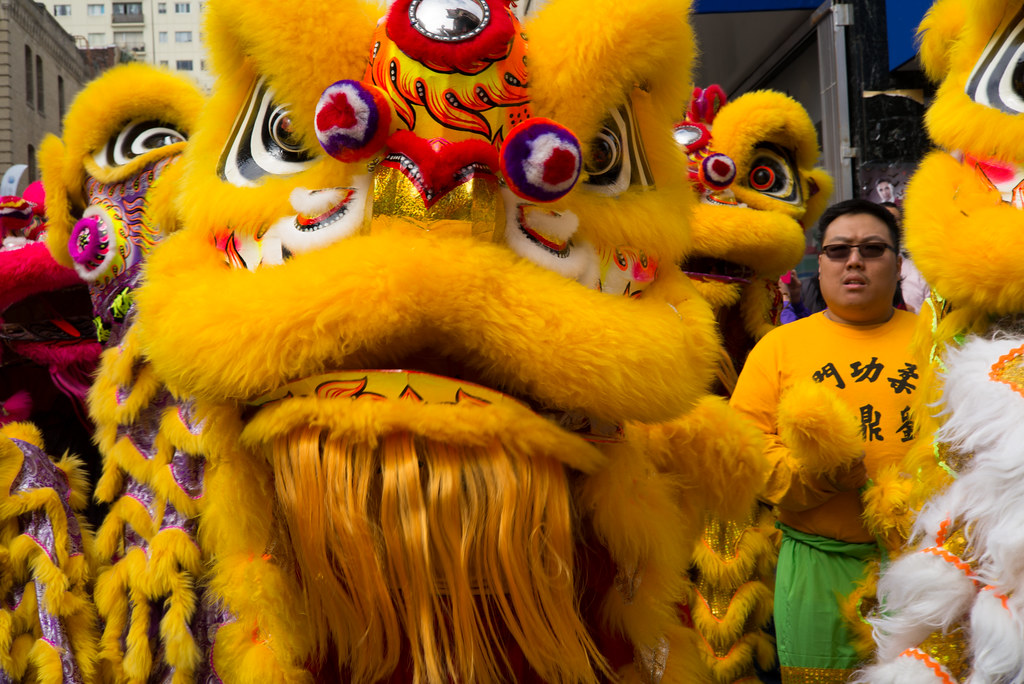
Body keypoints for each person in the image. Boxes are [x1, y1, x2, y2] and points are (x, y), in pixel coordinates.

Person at [730, 199, 919, 683]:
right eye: (839, 250)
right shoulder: (779, 347)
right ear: (821, 264)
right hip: (818, 564)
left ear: (898, 266)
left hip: (923, 566)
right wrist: (817, 477)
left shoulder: (938, 343)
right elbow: (747, 452)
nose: (854, 261)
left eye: (872, 249)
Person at [880, 201, 930, 313]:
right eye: (883, 220)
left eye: (894, 220)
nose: (889, 226)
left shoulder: (920, 272)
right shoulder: (859, 268)